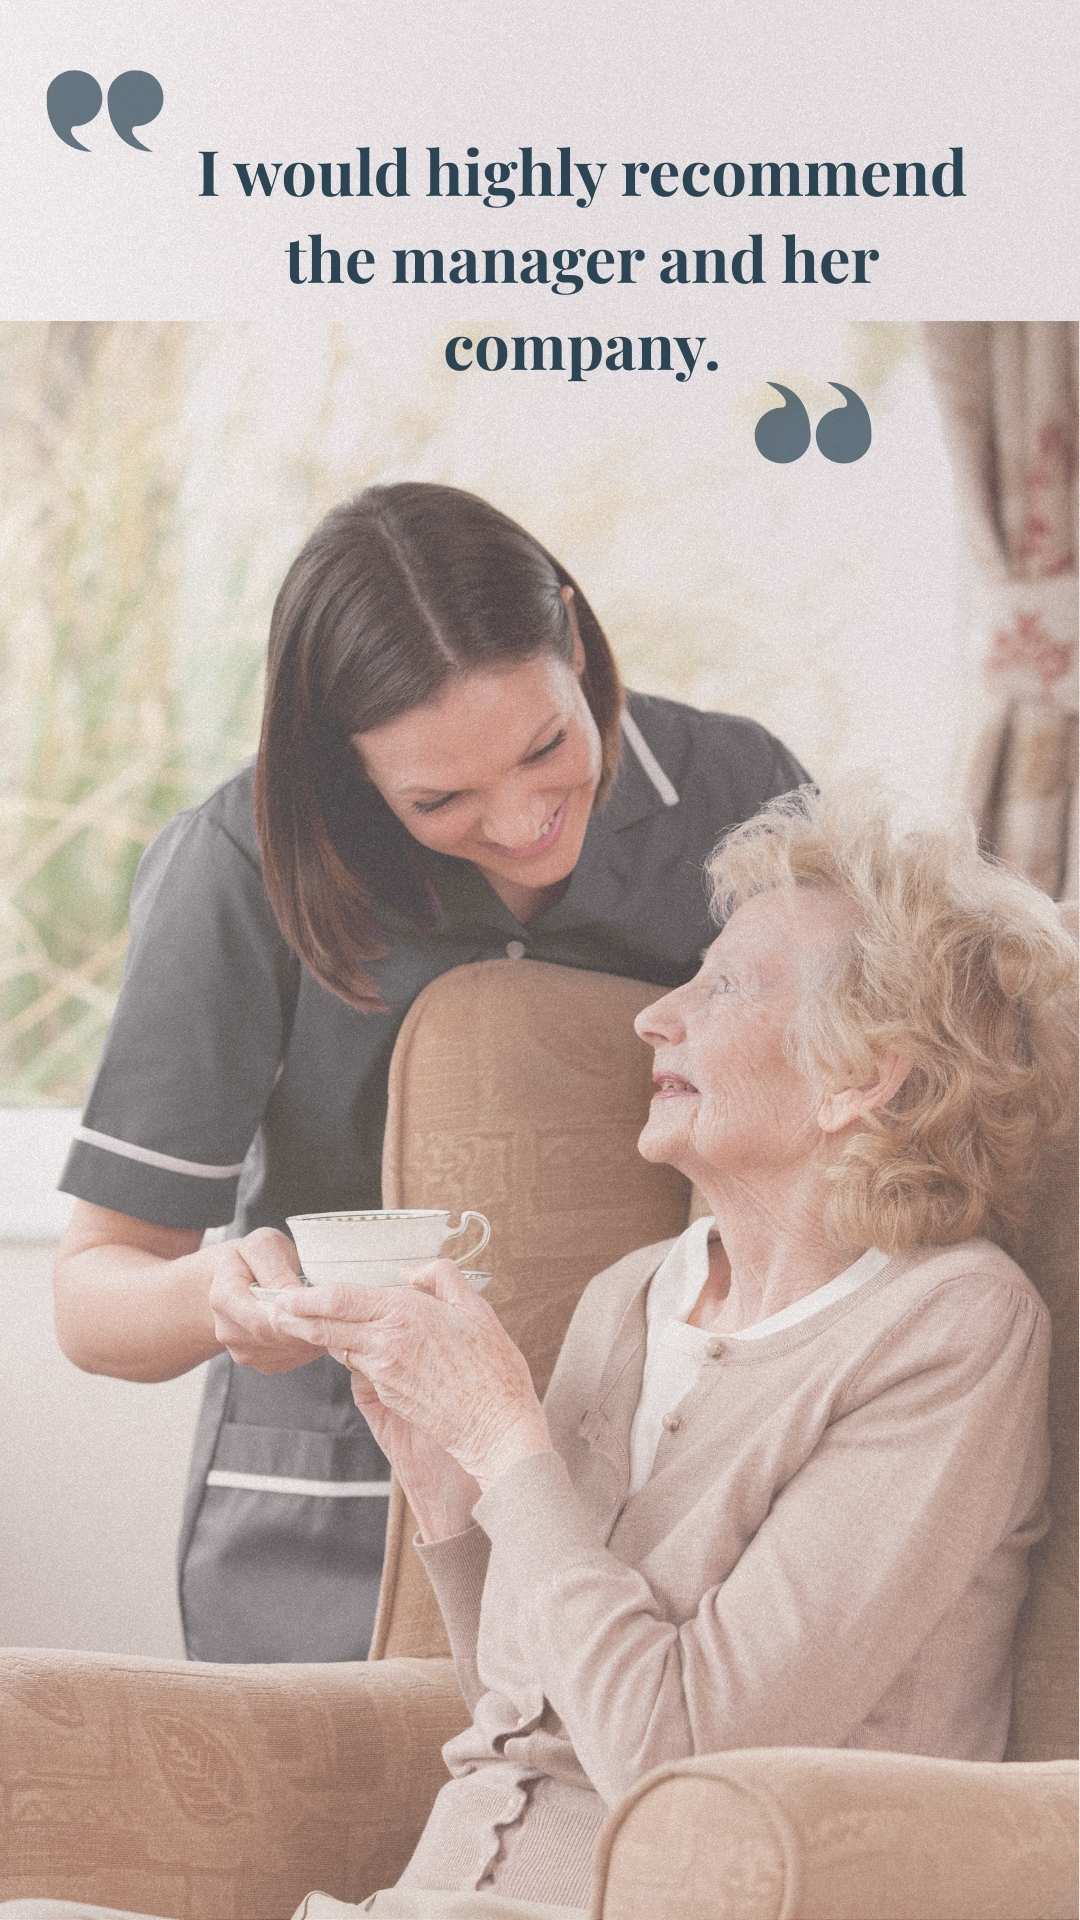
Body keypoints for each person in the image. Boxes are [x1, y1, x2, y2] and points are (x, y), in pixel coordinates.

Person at [17, 783, 1072, 1920]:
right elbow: (519, 1703)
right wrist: (444, 1488)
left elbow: (680, 1756)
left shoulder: (950, 1327)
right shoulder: (633, 1298)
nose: (656, 1018)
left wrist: (505, 1437)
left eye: (727, 986)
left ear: (864, 1074)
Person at [50, 482, 810, 1664]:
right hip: (338, 1510)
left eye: (547, 747)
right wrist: (226, 1296)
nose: (518, 823)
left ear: (570, 630)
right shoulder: (243, 863)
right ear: (342, 764)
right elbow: (94, 1299)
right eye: (438, 799)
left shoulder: (737, 796)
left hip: (660, 1484)